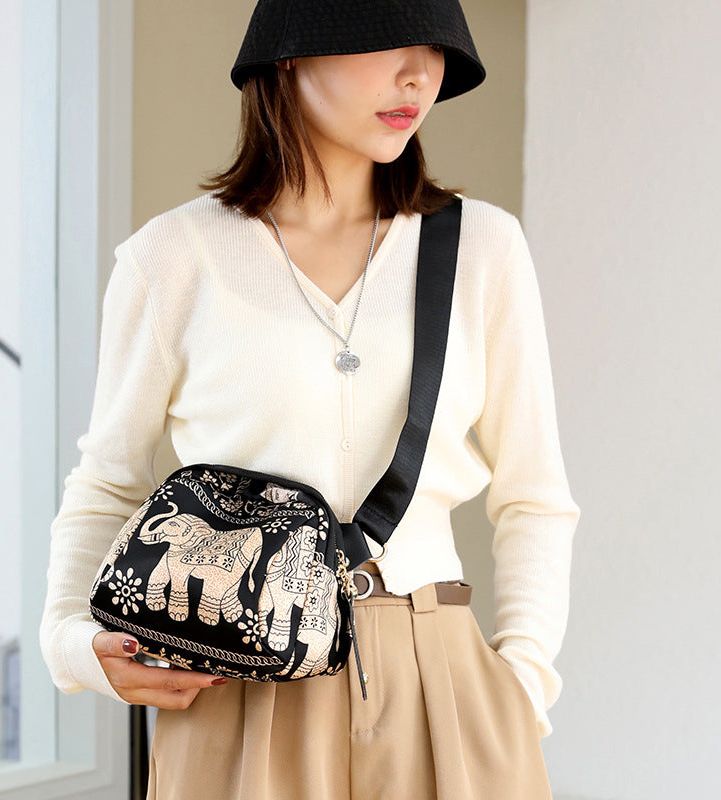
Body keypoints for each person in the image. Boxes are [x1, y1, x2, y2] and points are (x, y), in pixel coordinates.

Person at [39, 1, 581, 798]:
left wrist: (522, 685)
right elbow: (107, 482)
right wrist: (71, 642)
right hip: (242, 692)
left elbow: (535, 496)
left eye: (434, 49)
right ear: (292, 53)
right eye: (387, 40)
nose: (418, 75)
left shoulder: (483, 249)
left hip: (442, 682)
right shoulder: (174, 258)